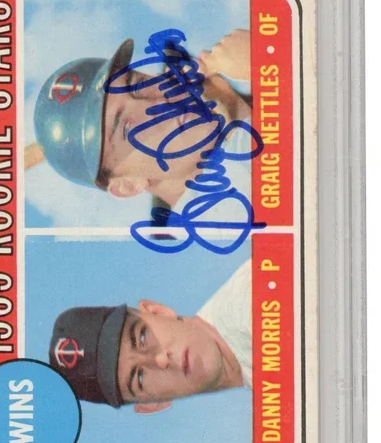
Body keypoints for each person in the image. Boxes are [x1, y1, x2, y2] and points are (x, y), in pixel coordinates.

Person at [28, 29, 260, 235]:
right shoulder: (229, 207)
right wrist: (265, 62)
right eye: (126, 128)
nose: (159, 104)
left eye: (138, 85)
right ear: (128, 185)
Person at [49, 260, 251, 413]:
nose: (161, 360)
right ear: (152, 405)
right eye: (140, 377)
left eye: (142, 338)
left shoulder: (250, 304)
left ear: (158, 311)